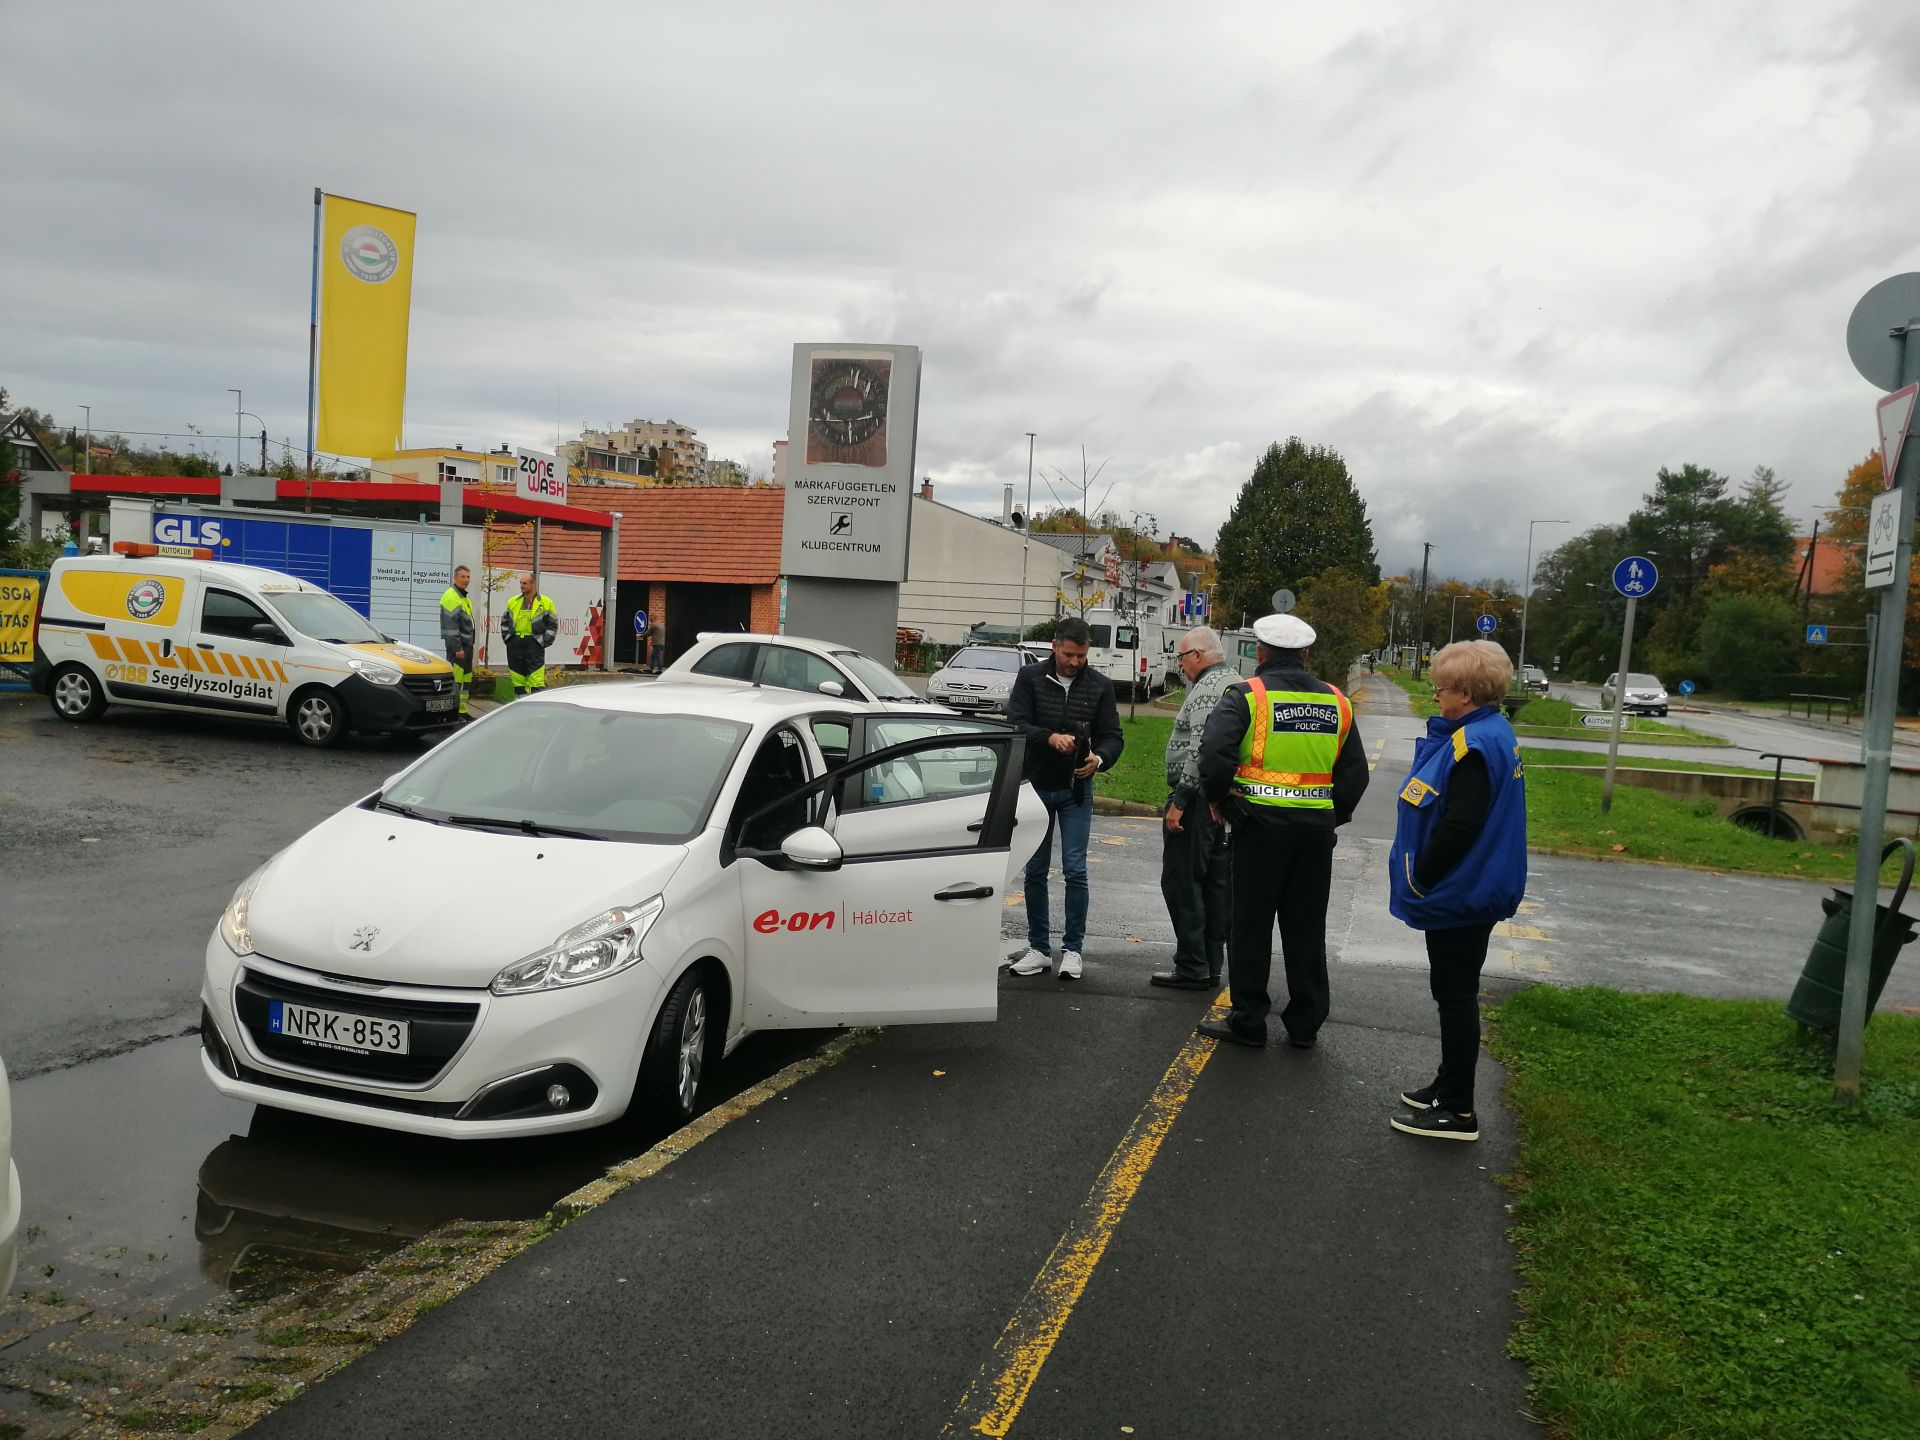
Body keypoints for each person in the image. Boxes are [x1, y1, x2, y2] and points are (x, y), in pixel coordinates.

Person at [1195, 612, 1368, 1048]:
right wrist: (1331, 815)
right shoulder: (1337, 701)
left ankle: (1249, 1020)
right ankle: (1305, 1024)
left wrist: (1219, 799)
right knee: (1306, 927)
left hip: (1257, 828)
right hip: (1314, 835)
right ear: (1306, 653)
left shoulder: (1246, 695)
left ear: (1260, 651)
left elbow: (1214, 754)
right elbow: (1354, 775)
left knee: (1250, 926)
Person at [1387, 640, 1528, 1141]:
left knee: (1455, 996)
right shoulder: (1490, 730)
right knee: (1452, 991)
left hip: (1461, 891)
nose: (1435, 697)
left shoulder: (1473, 746)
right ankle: (1448, 1084)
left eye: (1441, 689)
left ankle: (1458, 1111)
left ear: (1465, 692)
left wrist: (1421, 878)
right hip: (1473, 887)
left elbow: (1459, 825)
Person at [1004, 616, 1124, 981]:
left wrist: (1098, 759)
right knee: (1036, 870)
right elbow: (1016, 723)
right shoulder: (1030, 678)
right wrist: (1050, 738)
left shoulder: (1100, 687)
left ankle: (1073, 949)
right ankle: (1039, 948)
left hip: (1076, 790)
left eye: (1081, 656)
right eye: (1069, 654)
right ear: (1055, 646)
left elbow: (1114, 737)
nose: (1074, 662)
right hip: (1037, 786)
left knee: (1076, 870)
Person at [1150, 626, 1238, 991]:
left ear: (1198, 656)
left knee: (1183, 882)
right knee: (1216, 885)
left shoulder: (1206, 690)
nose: (1180, 664)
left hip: (1198, 801)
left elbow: (1201, 748)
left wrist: (1181, 801)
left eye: (1182, 657)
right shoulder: (1238, 683)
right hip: (1224, 800)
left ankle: (1191, 964)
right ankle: (1211, 963)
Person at [500, 573, 558, 699]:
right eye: (520, 583)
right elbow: (504, 622)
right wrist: (508, 639)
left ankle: (537, 710)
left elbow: (552, 625)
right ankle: (521, 708)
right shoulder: (513, 602)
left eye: (525, 583)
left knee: (536, 680)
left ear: (533, 584)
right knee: (518, 680)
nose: (521, 586)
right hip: (515, 645)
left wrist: (543, 642)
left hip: (534, 644)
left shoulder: (546, 603)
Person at [439, 564, 476, 719]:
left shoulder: (462, 596)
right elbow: (451, 626)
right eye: (463, 577)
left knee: (465, 678)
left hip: (466, 645)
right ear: (455, 578)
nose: (466, 580)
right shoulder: (451, 596)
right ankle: (452, 712)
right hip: (459, 647)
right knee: (456, 679)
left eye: (468, 577)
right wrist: (457, 647)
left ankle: (461, 710)